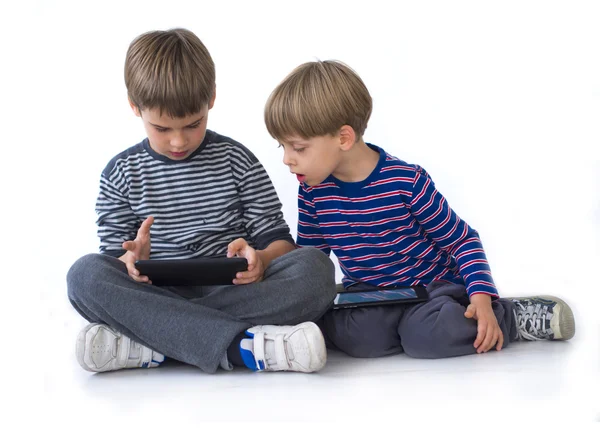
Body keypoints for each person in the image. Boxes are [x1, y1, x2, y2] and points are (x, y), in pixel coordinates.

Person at [263, 60, 575, 359]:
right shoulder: (312, 190)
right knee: (359, 340)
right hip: (374, 298)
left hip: (432, 291)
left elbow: (462, 241)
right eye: (283, 147)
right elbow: (311, 259)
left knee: (428, 336)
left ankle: (507, 316)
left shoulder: (405, 182)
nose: (287, 159)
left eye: (298, 148)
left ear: (343, 138)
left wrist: (481, 294)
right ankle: (397, 330)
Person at [66, 29, 337, 374]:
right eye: (162, 128)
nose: (178, 141)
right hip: (157, 296)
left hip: (234, 292)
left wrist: (262, 260)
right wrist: (131, 260)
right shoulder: (120, 173)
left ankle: (154, 343)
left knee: (315, 269)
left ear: (211, 98)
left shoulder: (238, 160)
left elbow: (280, 243)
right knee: (84, 276)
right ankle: (241, 347)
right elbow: (112, 262)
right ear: (135, 107)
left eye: (193, 125)